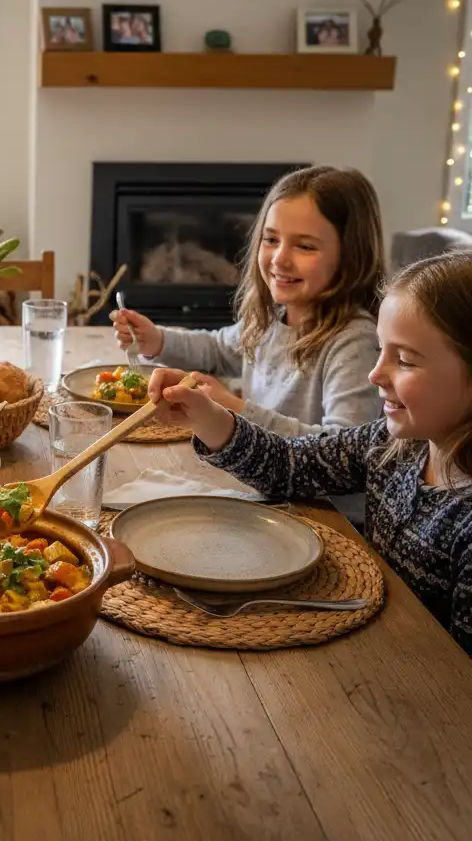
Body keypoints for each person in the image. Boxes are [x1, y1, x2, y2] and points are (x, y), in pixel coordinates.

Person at [148, 250, 472, 655]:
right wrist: (209, 419)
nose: (376, 374)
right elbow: (291, 464)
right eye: (382, 350)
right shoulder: (394, 446)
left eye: (404, 360)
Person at [111, 166, 385, 437]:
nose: (279, 259)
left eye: (305, 246)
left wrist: (235, 410)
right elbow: (217, 349)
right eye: (271, 239)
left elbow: (345, 450)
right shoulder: (272, 320)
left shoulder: (355, 342)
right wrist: (156, 339)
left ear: (351, 255)